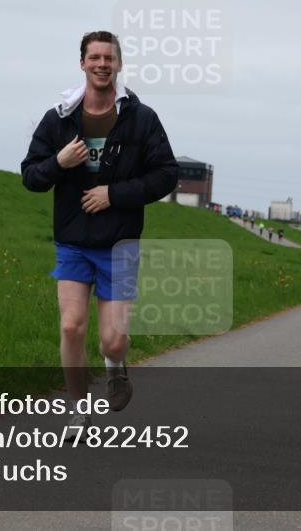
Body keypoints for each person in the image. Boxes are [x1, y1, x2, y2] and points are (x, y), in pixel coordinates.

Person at [21, 30, 179, 433]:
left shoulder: (141, 118)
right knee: (71, 325)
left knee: (112, 339)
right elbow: (31, 177)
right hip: (73, 241)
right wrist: (59, 161)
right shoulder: (59, 118)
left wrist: (115, 194)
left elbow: (166, 175)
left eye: (109, 58)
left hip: (119, 242)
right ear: (82, 63)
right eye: (94, 57)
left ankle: (115, 365)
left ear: (119, 64)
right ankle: (78, 409)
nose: (102, 64)